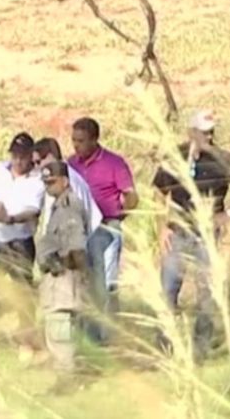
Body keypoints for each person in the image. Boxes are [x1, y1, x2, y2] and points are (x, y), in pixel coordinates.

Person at [152, 109, 230, 363]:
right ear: (191, 132)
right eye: (202, 133)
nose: (207, 138)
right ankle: (163, 348)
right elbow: (159, 191)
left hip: (206, 237)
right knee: (168, 290)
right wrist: (161, 227)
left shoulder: (222, 159)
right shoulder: (176, 156)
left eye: (211, 133)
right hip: (177, 232)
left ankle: (200, 351)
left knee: (206, 294)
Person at [68, 117, 138, 344]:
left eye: (81, 141)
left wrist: (121, 215)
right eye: (74, 140)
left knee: (105, 282)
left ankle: (107, 333)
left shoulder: (114, 163)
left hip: (106, 226)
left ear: (94, 140)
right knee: (84, 281)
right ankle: (87, 330)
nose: (76, 146)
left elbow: (131, 195)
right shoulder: (71, 164)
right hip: (80, 228)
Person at [0, 132, 45, 332]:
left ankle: (27, 339)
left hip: (19, 242)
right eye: (15, 155)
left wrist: (10, 218)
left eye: (22, 156)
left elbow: (32, 211)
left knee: (23, 294)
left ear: (31, 155)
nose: (18, 160)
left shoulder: (37, 179)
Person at [35, 161, 90, 372]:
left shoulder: (69, 206)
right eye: (45, 183)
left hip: (65, 276)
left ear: (64, 181)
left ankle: (66, 375)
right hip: (57, 275)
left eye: (52, 182)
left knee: (61, 328)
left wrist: (67, 267)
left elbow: (77, 246)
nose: (48, 187)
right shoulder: (57, 205)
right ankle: (65, 370)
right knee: (57, 326)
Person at [33, 137, 102, 235]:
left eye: (39, 162)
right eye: (34, 163)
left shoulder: (66, 178)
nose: (37, 167)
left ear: (50, 156)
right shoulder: (56, 176)